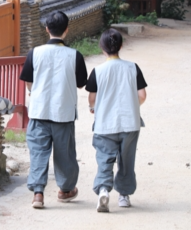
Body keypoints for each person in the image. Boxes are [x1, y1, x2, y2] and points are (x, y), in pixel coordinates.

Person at [19, 11, 88, 209]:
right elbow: (81, 83)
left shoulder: (35, 53)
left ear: (46, 29)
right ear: (67, 30)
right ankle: (66, 190)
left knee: (38, 152)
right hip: (63, 112)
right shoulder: (75, 55)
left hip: (39, 111)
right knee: (65, 153)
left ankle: (38, 194)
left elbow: (29, 83)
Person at [85, 28, 147, 213]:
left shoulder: (98, 71)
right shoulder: (132, 67)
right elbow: (142, 95)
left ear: (102, 48)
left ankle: (103, 190)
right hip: (130, 123)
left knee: (105, 158)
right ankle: (124, 196)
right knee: (126, 160)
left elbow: (92, 98)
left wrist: (92, 108)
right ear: (121, 46)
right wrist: (132, 106)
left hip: (105, 124)